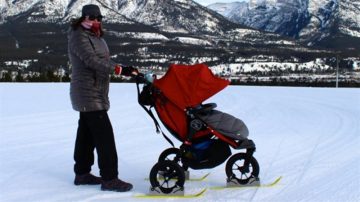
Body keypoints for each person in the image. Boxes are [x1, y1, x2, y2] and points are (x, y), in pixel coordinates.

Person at [67, 4, 138, 192]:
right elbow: (91, 60)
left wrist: (124, 68)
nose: (96, 21)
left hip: (97, 90)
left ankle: (82, 173)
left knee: (86, 134)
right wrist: (118, 70)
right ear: (83, 18)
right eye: (91, 17)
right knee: (104, 136)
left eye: (99, 18)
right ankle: (109, 178)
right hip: (87, 91)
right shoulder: (78, 36)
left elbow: (104, 61)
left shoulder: (96, 36)